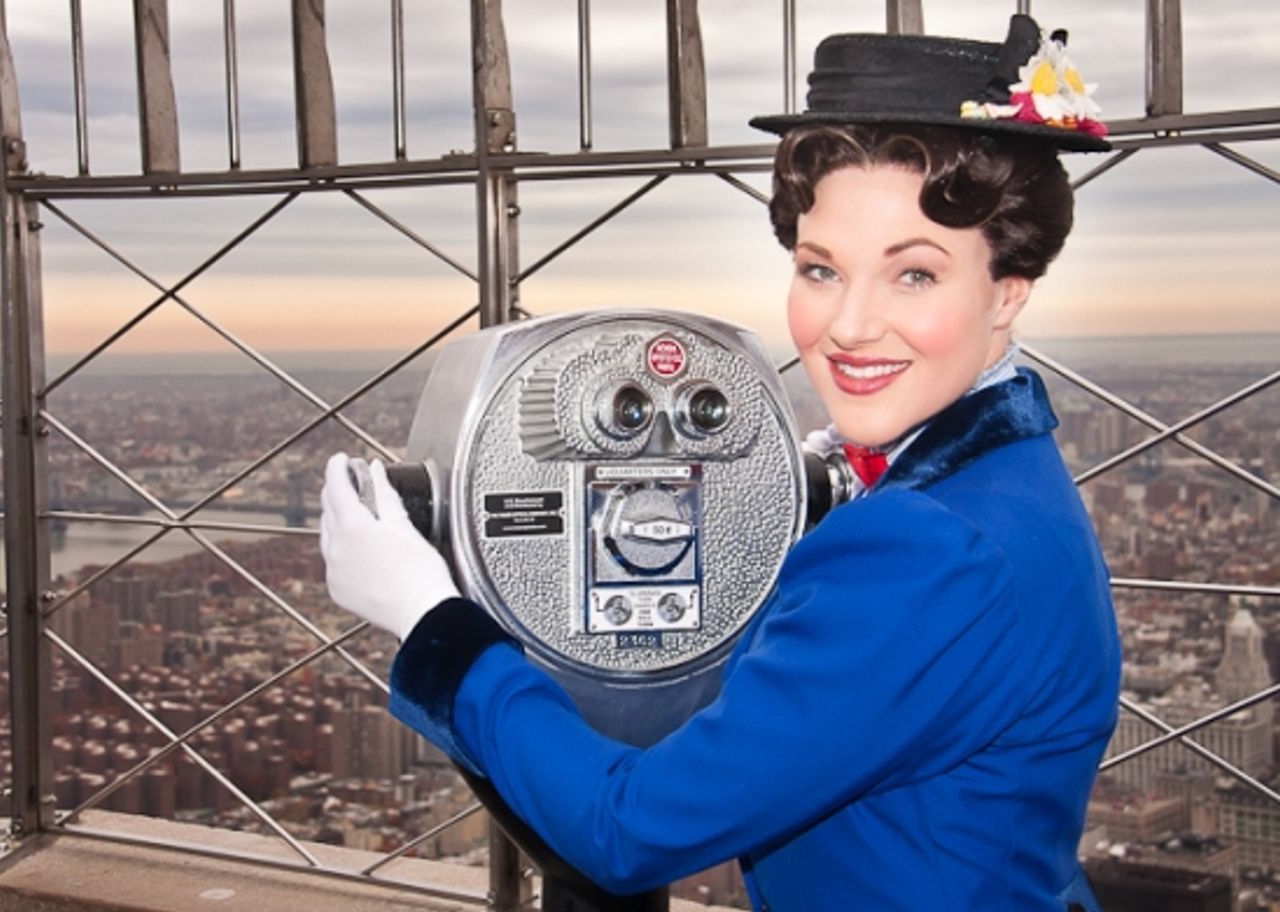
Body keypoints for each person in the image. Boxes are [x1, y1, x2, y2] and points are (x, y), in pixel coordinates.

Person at [319, 14, 1120, 911]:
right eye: (821, 270)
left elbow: (629, 833)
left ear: (1008, 291)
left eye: (915, 275)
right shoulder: (1007, 481)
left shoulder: (931, 548)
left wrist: (429, 619)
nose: (851, 326)